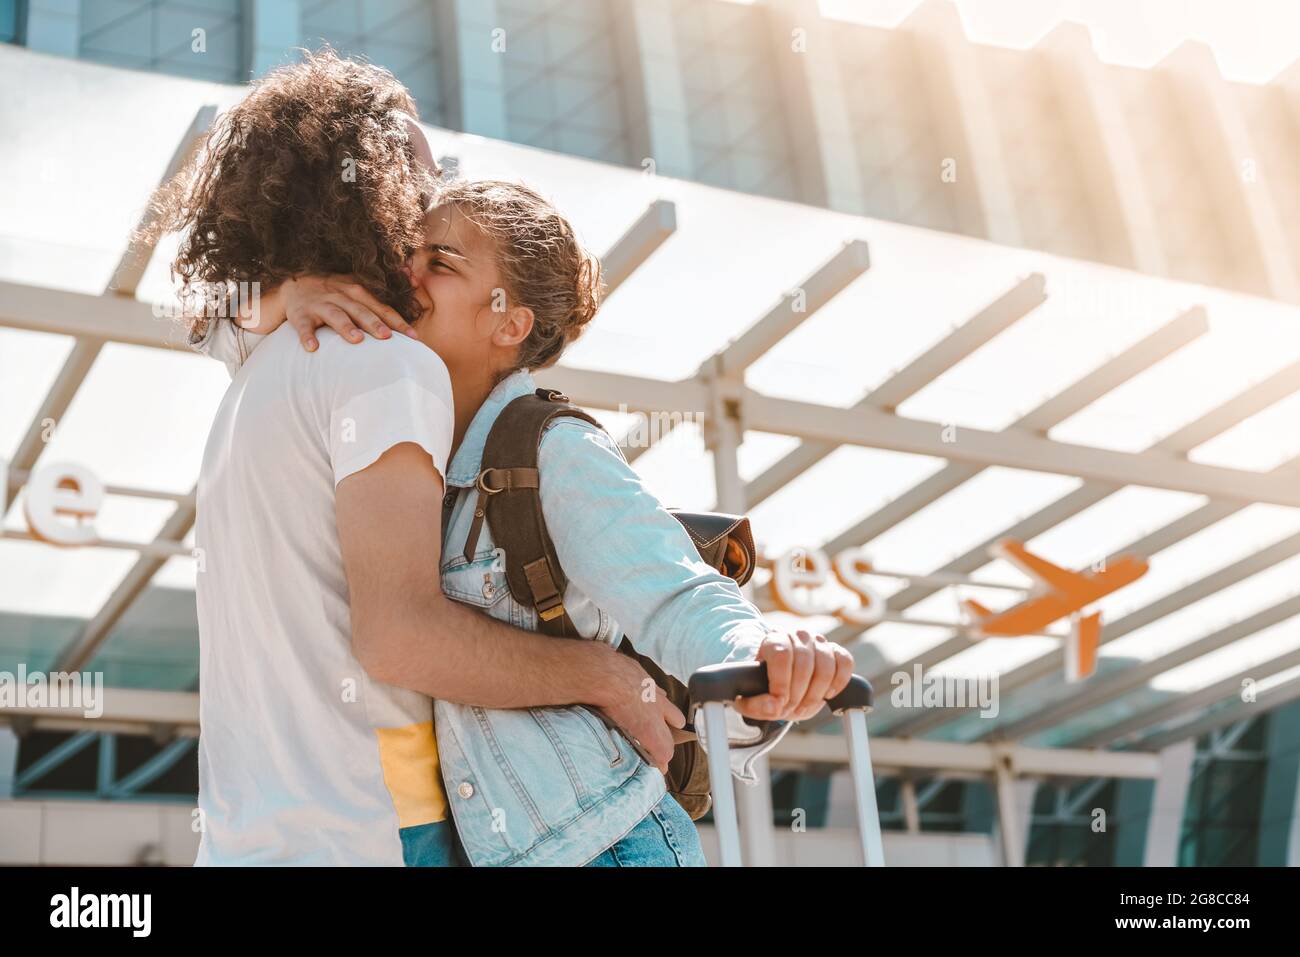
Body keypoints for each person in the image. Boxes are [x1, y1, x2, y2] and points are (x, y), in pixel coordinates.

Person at [165, 52, 855, 867]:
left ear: (509, 322)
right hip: (401, 833)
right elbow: (399, 636)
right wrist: (602, 675)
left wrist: (759, 652)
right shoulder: (372, 361)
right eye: (413, 179)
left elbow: (669, 585)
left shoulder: (278, 373)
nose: (415, 227)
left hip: (569, 838)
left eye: (441, 258)